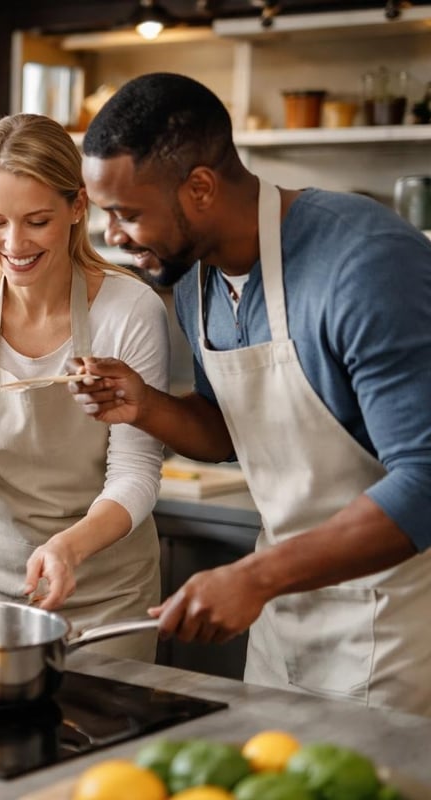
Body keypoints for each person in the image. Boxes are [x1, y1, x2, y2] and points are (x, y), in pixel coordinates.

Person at [73, 72, 431, 712]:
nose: (113, 236)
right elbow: (226, 436)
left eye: (126, 213)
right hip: (281, 616)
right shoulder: (196, 284)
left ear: (201, 187)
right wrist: (147, 407)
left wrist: (256, 575)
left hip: (397, 620)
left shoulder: (365, 263)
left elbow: (427, 480)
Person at [0, 113, 170, 661]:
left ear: (78, 208)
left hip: (107, 591)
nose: (14, 243)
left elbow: (136, 472)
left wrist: (70, 547)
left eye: (36, 221)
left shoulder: (129, 309)